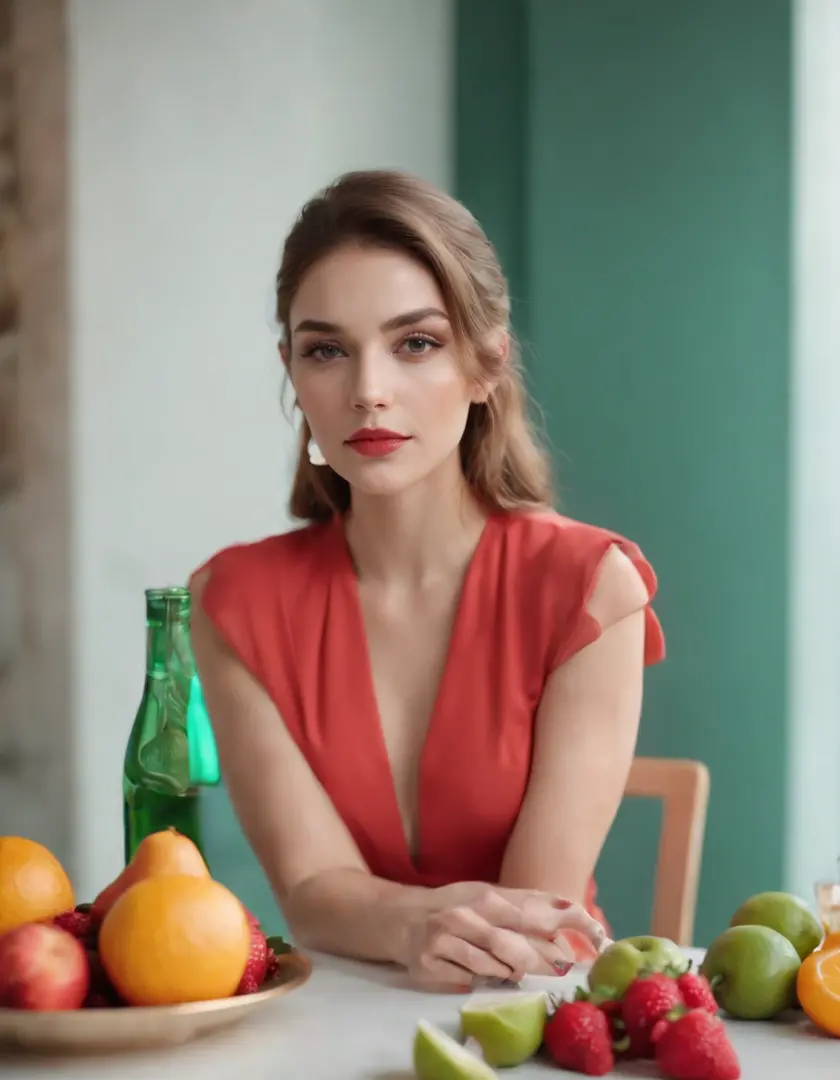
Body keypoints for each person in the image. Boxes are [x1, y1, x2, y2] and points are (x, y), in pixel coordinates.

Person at [190, 169, 665, 992]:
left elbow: (535, 914)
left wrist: (395, 921)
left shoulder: (591, 588)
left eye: (416, 343)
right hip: (330, 1018)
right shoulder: (233, 604)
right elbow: (309, 893)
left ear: (486, 365)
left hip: (533, 1015)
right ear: (293, 373)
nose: (368, 391)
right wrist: (412, 926)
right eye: (327, 350)